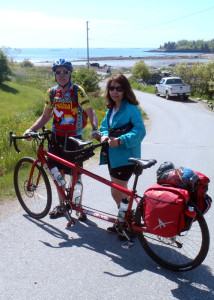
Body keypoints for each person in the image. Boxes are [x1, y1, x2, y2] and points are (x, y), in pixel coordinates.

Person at [24, 59, 100, 220]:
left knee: (76, 175)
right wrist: (31, 129)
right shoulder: (52, 92)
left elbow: (90, 110)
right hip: (56, 138)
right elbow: (45, 116)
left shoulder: (77, 91)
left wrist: (94, 128)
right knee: (57, 172)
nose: (61, 75)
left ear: (70, 73)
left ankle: (79, 208)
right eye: (58, 72)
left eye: (65, 71)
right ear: (55, 75)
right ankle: (63, 205)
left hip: (74, 138)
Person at [100, 74, 146, 233]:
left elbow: (140, 131)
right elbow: (104, 126)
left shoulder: (131, 109)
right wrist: (104, 134)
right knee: (122, 190)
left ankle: (127, 220)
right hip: (113, 157)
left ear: (125, 90)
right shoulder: (111, 108)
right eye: (112, 88)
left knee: (116, 191)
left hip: (127, 157)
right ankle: (125, 221)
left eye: (119, 88)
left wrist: (120, 140)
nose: (115, 92)